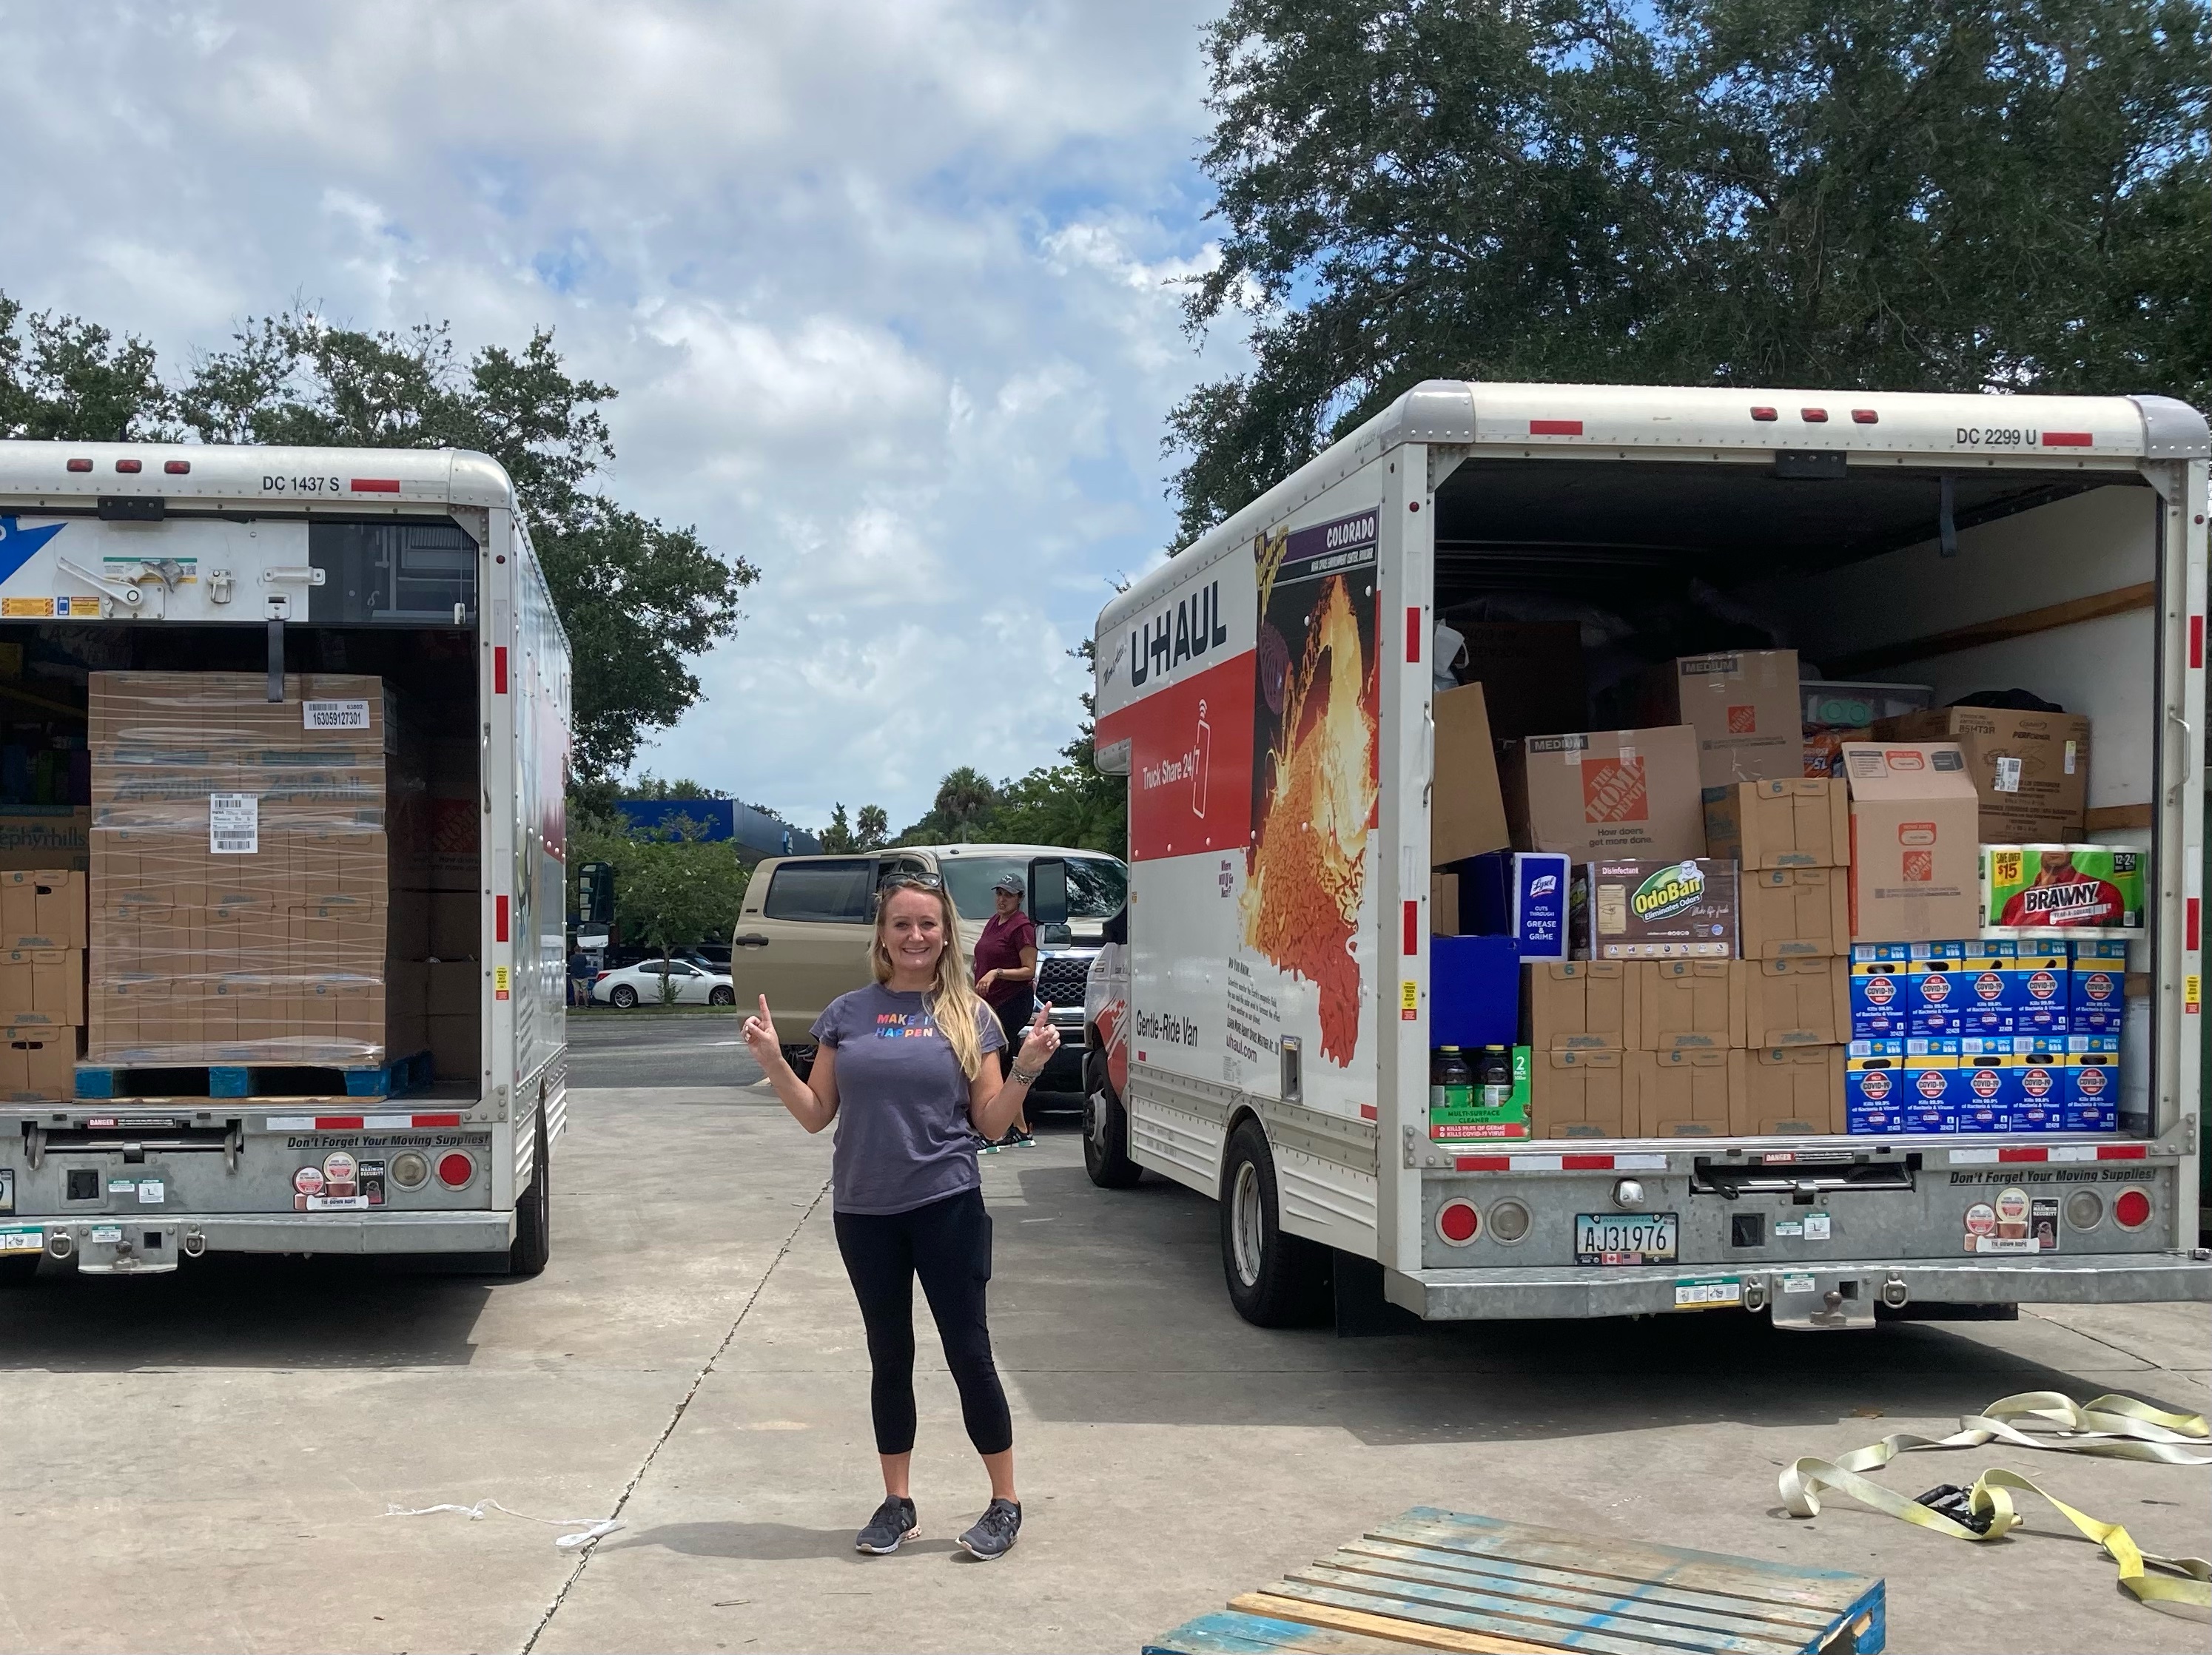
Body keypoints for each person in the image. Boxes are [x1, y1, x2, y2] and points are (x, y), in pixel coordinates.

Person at [740, 872, 1060, 1562]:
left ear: (946, 935)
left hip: (946, 1203)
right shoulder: (845, 1014)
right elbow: (814, 1115)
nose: (915, 936)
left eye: (928, 925)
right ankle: (897, 1501)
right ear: (881, 935)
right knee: (890, 1356)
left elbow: (993, 1123)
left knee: (967, 1353)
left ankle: (1005, 1503)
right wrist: (771, 1058)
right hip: (864, 1210)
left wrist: (1028, 1067)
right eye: (902, 924)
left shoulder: (971, 1014)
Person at [971, 872, 1039, 1147]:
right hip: (991, 1004)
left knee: (993, 1064)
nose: (1002, 899)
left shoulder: (1021, 927)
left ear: (1019, 899)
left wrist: (996, 973)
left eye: (1008, 895)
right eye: (999, 893)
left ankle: (992, 1134)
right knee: (1001, 1063)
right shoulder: (994, 922)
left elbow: (1029, 970)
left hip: (1013, 1001)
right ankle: (1021, 1130)